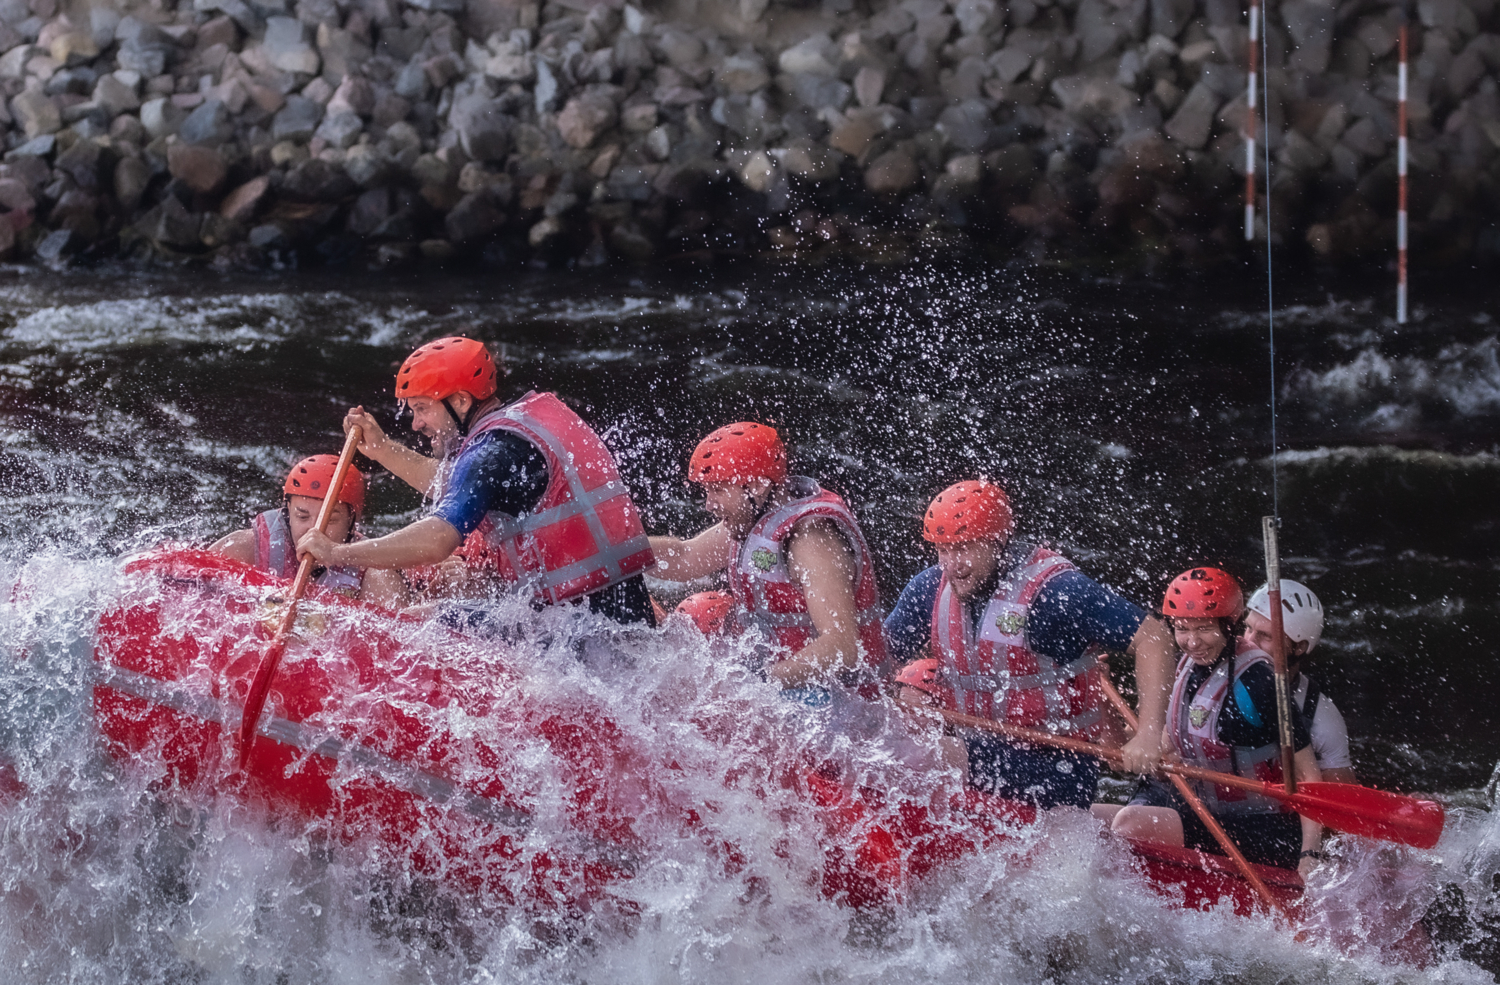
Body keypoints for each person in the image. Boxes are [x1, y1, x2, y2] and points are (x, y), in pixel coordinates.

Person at [296, 337, 657, 625]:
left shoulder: (490, 453)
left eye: (422, 408)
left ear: (461, 400)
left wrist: (338, 552)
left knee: (415, 621)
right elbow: (458, 489)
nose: (416, 424)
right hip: (622, 616)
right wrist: (382, 449)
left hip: (579, 632)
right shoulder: (519, 429)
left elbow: (438, 540)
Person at [884, 479, 1175, 809]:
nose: (952, 565)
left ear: (998, 540)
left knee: (922, 755)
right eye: (943, 550)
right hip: (978, 748)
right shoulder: (928, 589)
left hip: (1057, 766)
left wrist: (1150, 733)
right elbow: (878, 659)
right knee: (883, 736)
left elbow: (1155, 637)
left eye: (964, 548)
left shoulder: (1057, 592)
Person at [1104, 568, 1323, 876]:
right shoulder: (1184, 667)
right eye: (1182, 629)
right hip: (1203, 811)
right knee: (1087, 819)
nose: (1192, 642)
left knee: (1129, 824)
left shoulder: (1262, 682)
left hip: (1262, 828)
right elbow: (1158, 748)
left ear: (1229, 624)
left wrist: (1309, 853)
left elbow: (1309, 774)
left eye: (1204, 629)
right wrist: (1100, 697)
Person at [647, 422, 888, 691]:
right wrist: (616, 550)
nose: (709, 504)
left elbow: (841, 647)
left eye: (718, 490)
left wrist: (753, 686)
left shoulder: (811, 540)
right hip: (792, 693)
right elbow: (683, 558)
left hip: (844, 706)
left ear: (758, 486)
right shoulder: (751, 520)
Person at [209, 454, 406, 607]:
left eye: (330, 520)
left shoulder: (375, 574)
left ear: (351, 522)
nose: (314, 531)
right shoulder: (244, 549)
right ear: (287, 514)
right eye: (302, 516)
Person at [1243, 579, 1355, 784]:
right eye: (1248, 628)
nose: (1248, 642)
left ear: (1299, 647)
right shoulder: (1209, 675)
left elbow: (1342, 804)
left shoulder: (1322, 719)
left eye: (1265, 636)